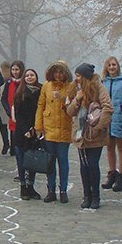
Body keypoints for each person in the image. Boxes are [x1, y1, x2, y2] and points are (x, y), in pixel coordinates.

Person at [66, 64, 114, 210]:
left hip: (95, 133)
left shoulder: (98, 87)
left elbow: (108, 107)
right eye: (76, 75)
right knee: (84, 165)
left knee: (92, 164)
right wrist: (77, 99)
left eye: (79, 75)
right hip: (80, 132)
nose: (77, 78)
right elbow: (69, 111)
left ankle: (95, 196)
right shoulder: (74, 88)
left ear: (86, 77)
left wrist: (98, 127)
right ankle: (86, 195)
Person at [35, 61, 75, 204]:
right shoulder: (46, 86)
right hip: (49, 128)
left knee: (63, 161)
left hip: (64, 129)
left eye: (61, 72)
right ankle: (51, 190)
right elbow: (41, 105)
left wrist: (63, 99)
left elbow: (74, 107)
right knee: (50, 162)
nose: (58, 75)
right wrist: (38, 126)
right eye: (56, 72)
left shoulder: (70, 87)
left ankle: (63, 190)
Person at [101, 56, 122, 192]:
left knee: (121, 147)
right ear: (106, 68)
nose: (112, 67)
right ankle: (112, 173)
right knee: (109, 147)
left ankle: (120, 176)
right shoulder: (103, 82)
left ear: (118, 66)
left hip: (121, 118)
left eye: (114, 65)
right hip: (107, 119)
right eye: (109, 65)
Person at [12, 68, 43, 199]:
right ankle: (23, 187)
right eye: (27, 75)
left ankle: (31, 186)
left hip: (35, 131)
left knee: (33, 160)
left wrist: (36, 128)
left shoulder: (41, 91)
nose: (29, 77)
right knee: (22, 161)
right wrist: (26, 130)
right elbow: (18, 114)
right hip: (22, 132)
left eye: (32, 75)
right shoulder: (20, 93)